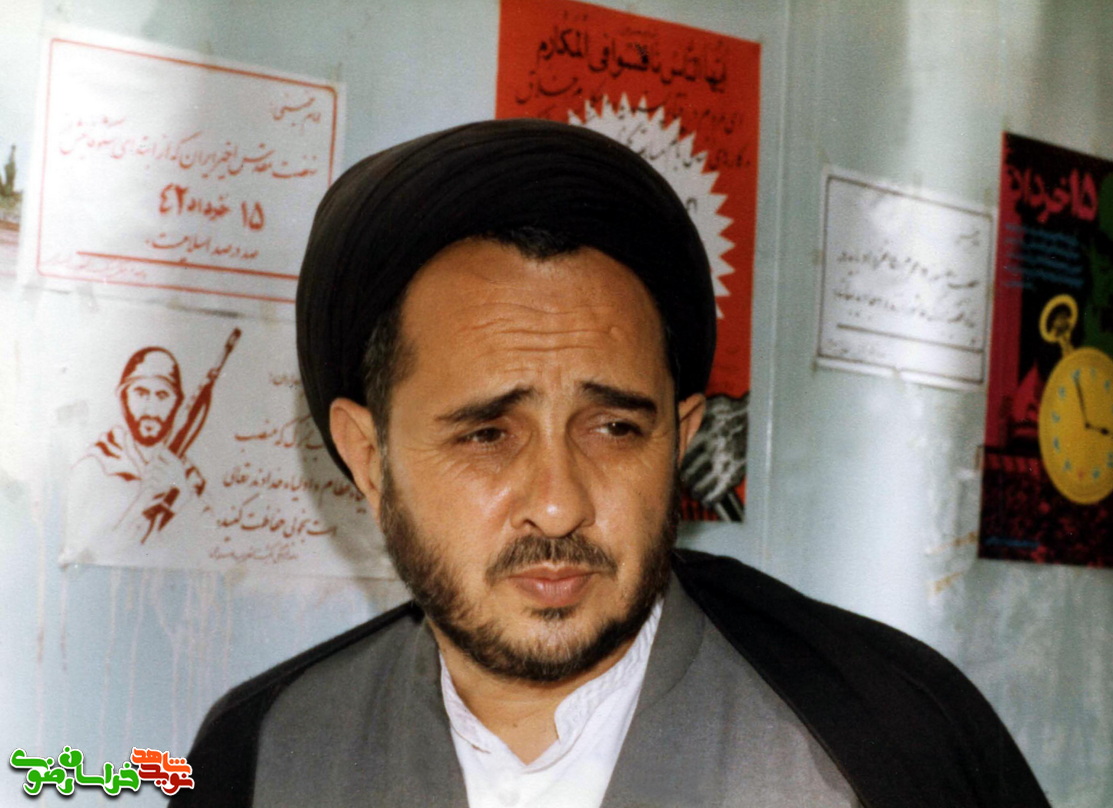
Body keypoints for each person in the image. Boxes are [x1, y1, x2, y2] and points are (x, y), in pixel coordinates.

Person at [175, 120, 1048, 807]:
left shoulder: (891, 741)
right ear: (369, 459)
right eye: (487, 436)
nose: (559, 506)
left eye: (615, 429)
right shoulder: (262, 756)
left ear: (682, 438)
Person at [69, 347, 206, 547]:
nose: (151, 409)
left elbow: (207, 547)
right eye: (141, 394)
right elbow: (85, 550)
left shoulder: (189, 478)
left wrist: (182, 495)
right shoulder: (95, 468)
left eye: (162, 396)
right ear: (123, 399)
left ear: (177, 404)